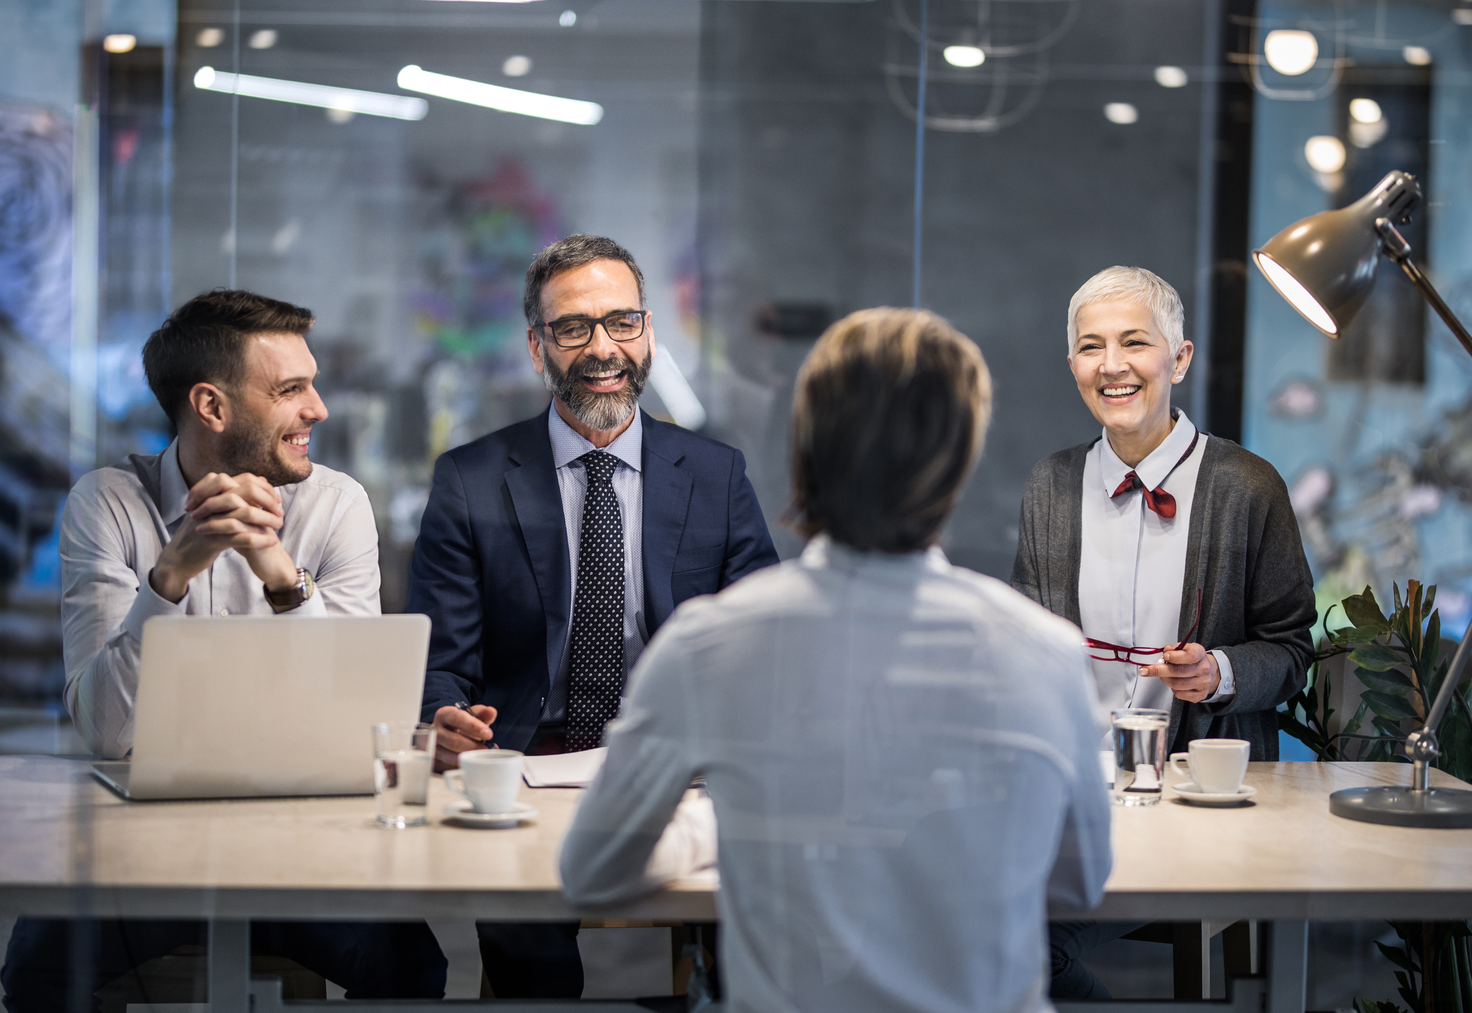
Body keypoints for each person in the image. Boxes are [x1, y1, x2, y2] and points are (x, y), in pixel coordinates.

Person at [559, 307, 1113, 1013]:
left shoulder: (708, 645)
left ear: (804, 443)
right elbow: (1079, 885)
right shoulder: (1047, 654)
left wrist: (717, 823)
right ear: (963, 454)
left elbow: (593, 871)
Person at [1, 290, 447, 1013]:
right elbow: (108, 732)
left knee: (409, 965)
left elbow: (357, 720)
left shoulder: (337, 505)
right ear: (211, 406)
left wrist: (278, 572)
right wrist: (170, 578)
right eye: (291, 389)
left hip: (309, 841)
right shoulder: (108, 503)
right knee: (36, 969)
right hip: (142, 847)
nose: (318, 410)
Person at [407, 234, 778, 997]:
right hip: (524, 765)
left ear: (648, 332)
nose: (603, 348)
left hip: (681, 763)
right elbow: (439, 656)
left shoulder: (716, 472)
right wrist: (443, 715)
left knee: (749, 934)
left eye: (623, 322)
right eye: (574, 328)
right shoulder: (471, 480)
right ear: (537, 346)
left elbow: (766, 642)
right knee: (528, 963)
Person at [1011, 266, 1316, 998]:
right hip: (1071, 802)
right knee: (963, 920)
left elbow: (1294, 652)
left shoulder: (1249, 487)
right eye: (1092, 347)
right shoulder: (1050, 485)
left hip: (1197, 807)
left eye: (1134, 343)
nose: (1111, 365)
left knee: (1024, 944)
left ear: (1178, 359)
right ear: (1074, 367)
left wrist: (1220, 673)